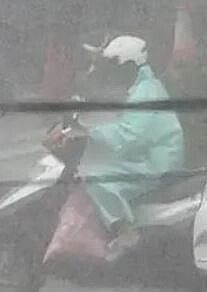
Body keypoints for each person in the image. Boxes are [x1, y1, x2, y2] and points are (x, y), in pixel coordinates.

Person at [44, 35, 184, 263]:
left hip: (157, 163)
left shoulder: (146, 92)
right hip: (147, 156)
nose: (110, 72)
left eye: (113, 65)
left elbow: (130, 136)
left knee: (97, 176)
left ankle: (126, 233)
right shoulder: (140, 88)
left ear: (128, 65)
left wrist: (89, 133)